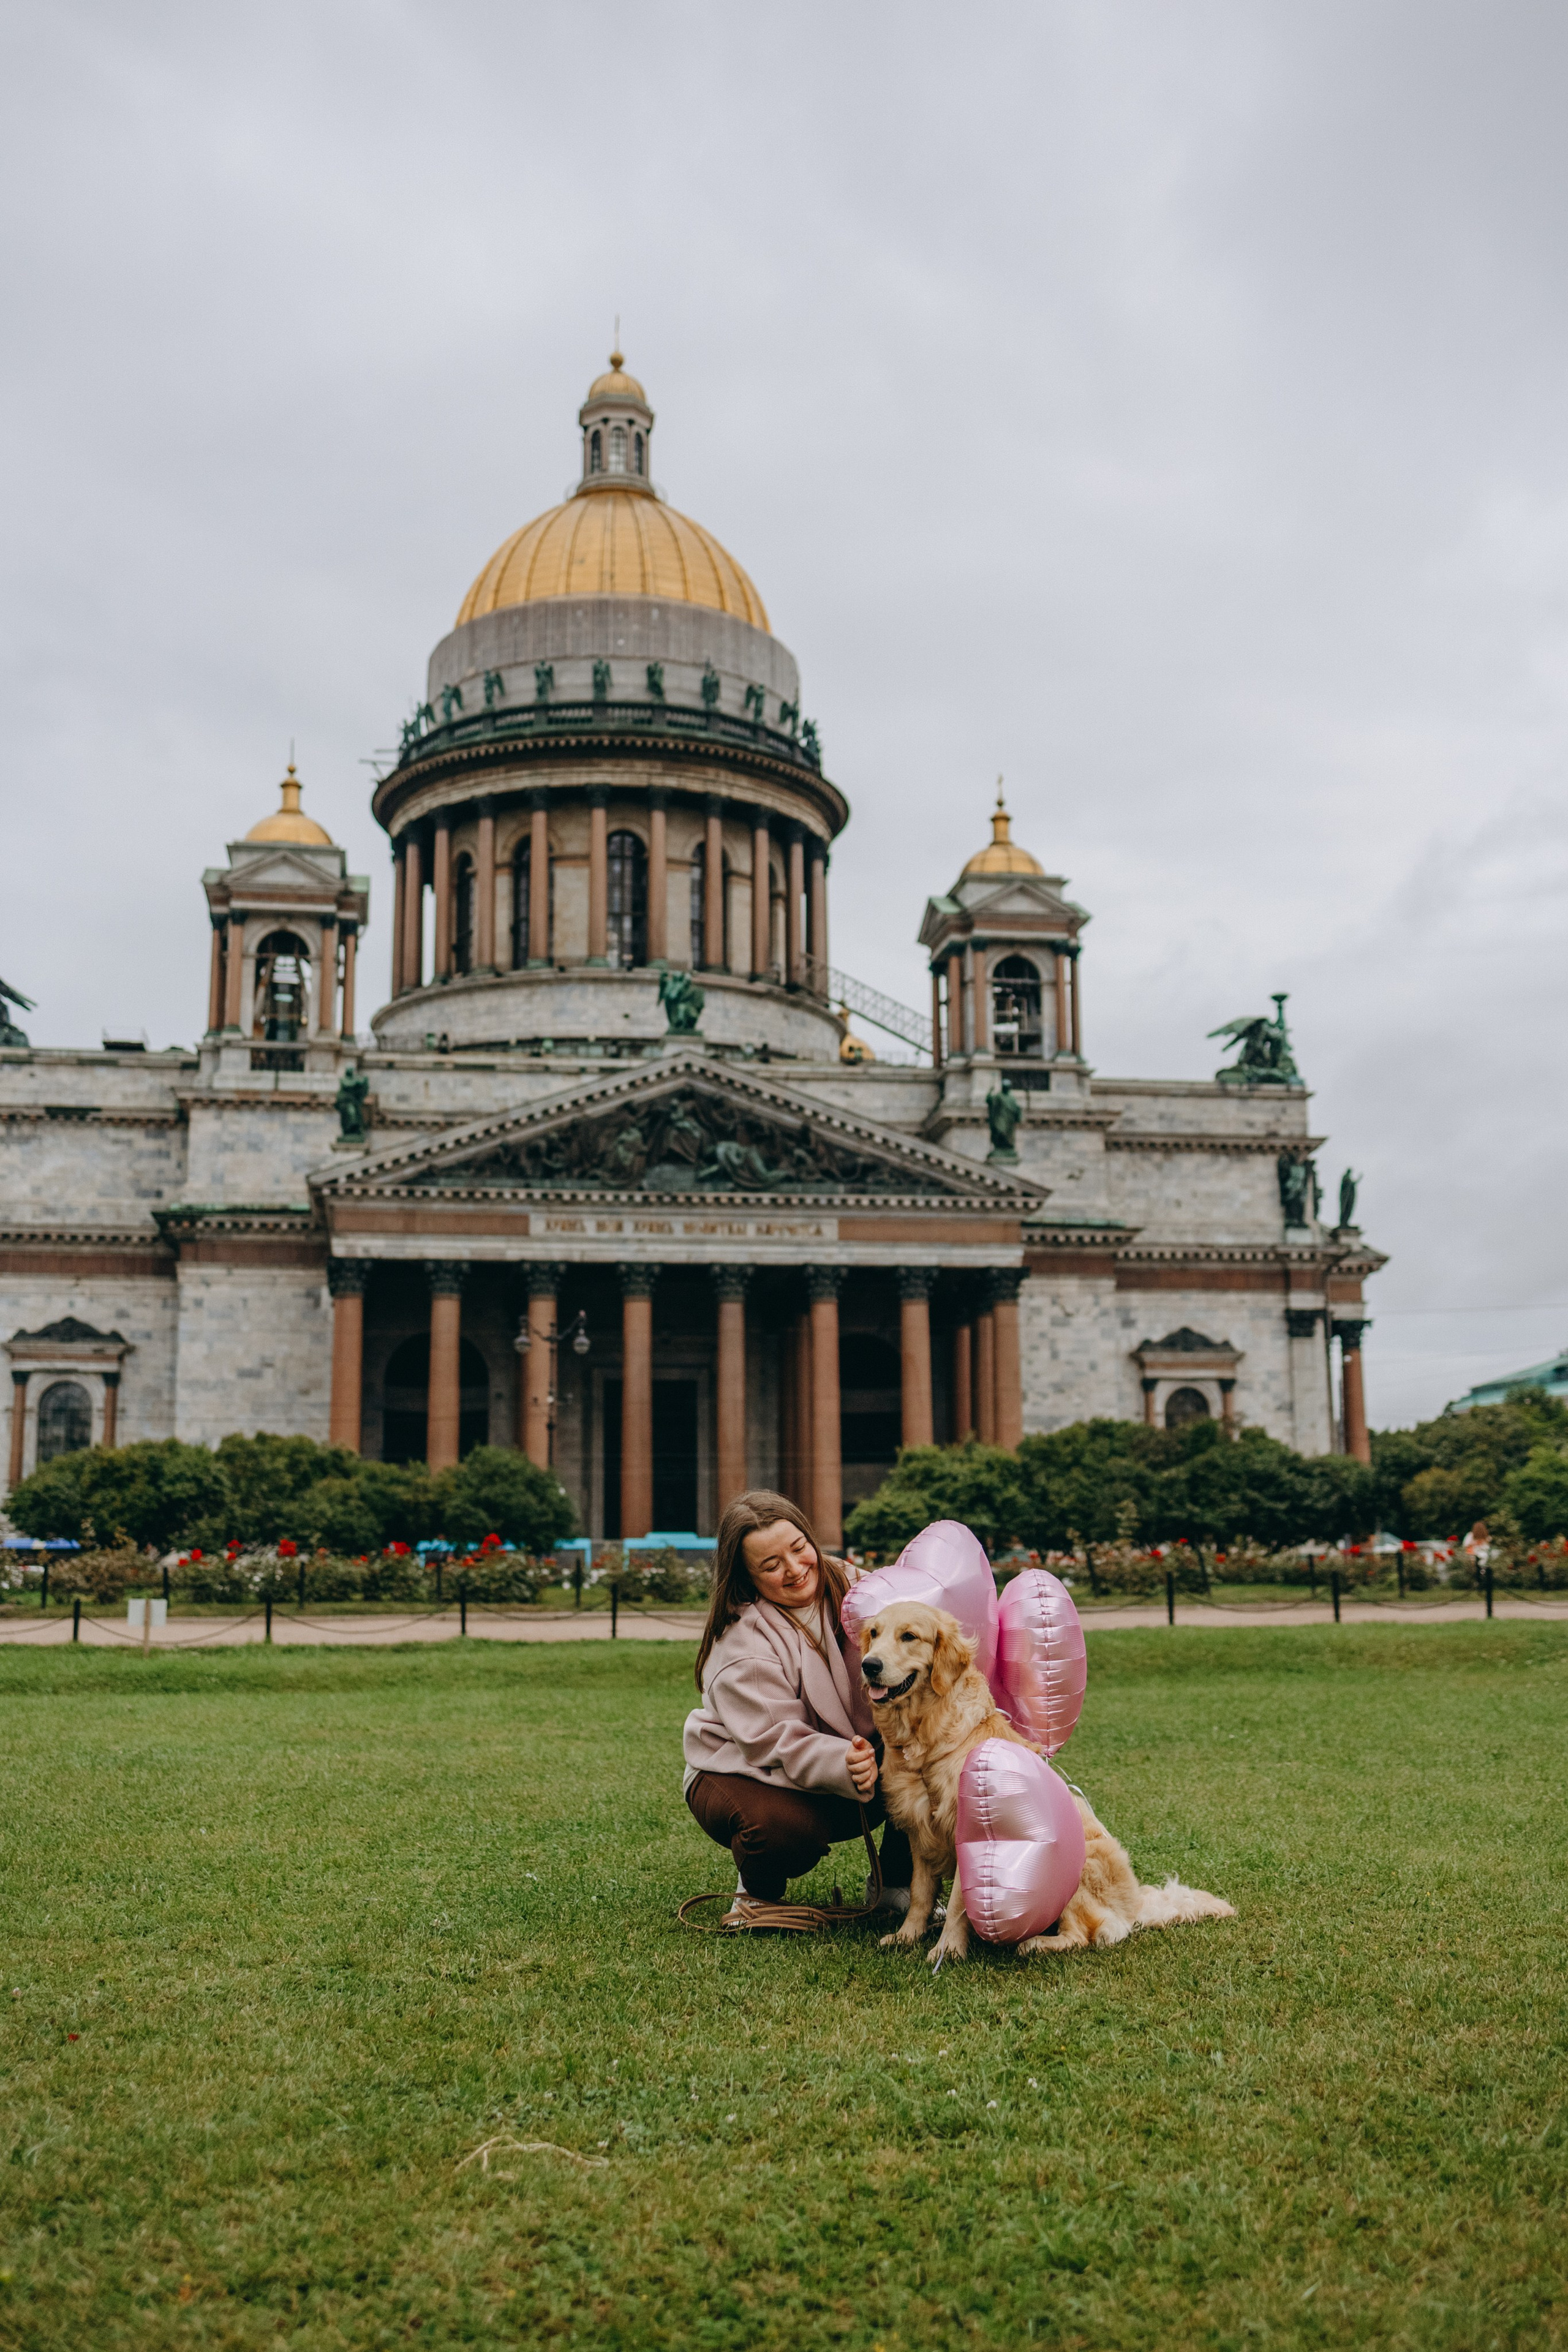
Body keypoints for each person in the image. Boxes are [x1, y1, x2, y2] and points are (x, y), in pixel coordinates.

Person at [684, 1490, 914, 1928]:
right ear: (747, 1576)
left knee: (933, 1756)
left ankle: (895, 1887)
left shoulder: (858, 1586)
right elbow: (774, 1739)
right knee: (781, 1831)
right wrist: (841, 1762)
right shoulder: (742, 1640)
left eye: (799, 1549)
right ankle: (757, 1895)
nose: (794, 1569)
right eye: (771, 1566)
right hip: (744, 1770)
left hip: (852, 1756)